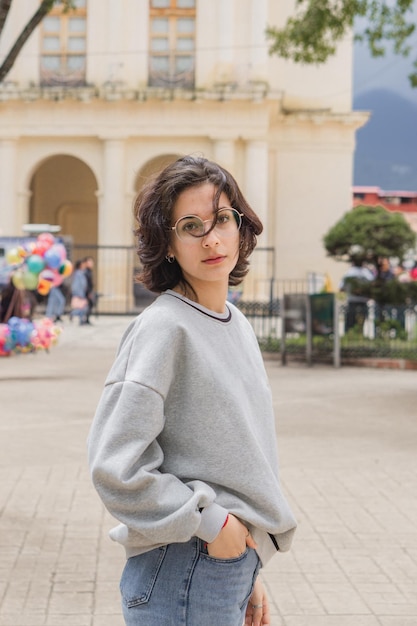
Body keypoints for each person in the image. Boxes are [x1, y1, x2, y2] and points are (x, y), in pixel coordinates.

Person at [87, 155, 297, 626]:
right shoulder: (165, 328)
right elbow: (115, 464)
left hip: (222, 565)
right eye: (190, 225)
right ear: (167, 245)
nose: (212, 238)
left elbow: (230, 458)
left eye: (222, 219)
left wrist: (247, 561)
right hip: (185, 563)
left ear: (242, 227)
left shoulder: (235, 323)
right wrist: (213, 525)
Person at [340, 260, 374, 332]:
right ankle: (359, 337)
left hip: (352, 300)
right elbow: (373, 285)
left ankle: (349, 337)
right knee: (360, 323)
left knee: (350, 323)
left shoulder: (349, 273)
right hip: (363, 301)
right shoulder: (367, 273)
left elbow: (341, 288)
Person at [70, 259, 88, 324]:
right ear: (80, 265)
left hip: (82, 292)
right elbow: (76, 285)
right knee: (82, 307)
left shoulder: (81, 273)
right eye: (83, 264)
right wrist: (78, 293)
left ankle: (81, 320)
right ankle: (73, 313)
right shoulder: (78, 274)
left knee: (83, 307)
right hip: (79, 293)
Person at [83, 255, 96, 324]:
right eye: (89, 262)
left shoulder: (89, 271)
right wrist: (88, 292)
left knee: (90, 305)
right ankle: (85, 319)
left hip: (89, 290)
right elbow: (86, 283)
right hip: (87, 291)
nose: (91, 263)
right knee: (88, 305)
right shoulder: (86, 272)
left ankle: (86, 319)